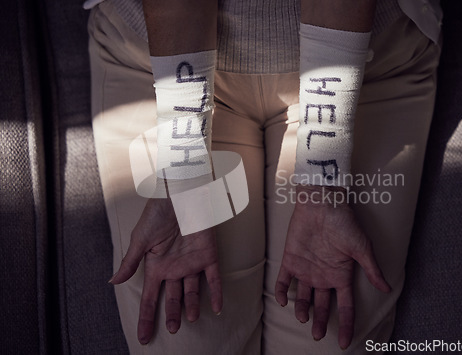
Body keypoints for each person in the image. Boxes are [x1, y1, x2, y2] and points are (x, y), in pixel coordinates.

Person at [85, 0, 442, 353]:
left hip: (364, 59)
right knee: (183, 341)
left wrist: (323, 180)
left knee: (332, 341)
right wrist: (182, 175)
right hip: (160, 58)